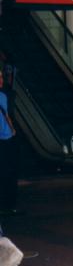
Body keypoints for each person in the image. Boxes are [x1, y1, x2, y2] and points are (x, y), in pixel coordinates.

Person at [0, 70, 18, 215]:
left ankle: (9, 205)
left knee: (8, 172)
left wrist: (12, 130)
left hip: (6, 138)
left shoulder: (3, 96)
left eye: (1, 77)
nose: (1, 80)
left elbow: (6, 114)